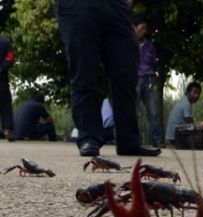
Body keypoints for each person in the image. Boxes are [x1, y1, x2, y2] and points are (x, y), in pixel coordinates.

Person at [54, 0, 160, 157]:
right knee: (83, 71)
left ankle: (128, 140)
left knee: (126, 70)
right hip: (76, 5)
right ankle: (88, 138)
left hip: (116, 5)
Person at [133, 16, 164, 148]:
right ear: (134, 28)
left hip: (149, 78)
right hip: (135, 78)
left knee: (154, 111)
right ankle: (135, 139)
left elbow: (154, 61)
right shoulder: (128, 43)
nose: (144, 31)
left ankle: (156, 139)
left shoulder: (150, 45)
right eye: (142, 28)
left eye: (146, 28)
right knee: (134, 111)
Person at [0, 34, 15, 141]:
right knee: (5, 103)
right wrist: (2, 67)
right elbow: (11, 57)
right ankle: (7, 130)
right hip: (2, 77)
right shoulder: (5, 42)